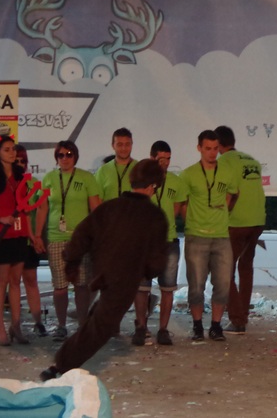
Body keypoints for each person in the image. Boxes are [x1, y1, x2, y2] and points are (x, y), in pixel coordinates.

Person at [40, 160, 168, 381]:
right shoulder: (155, 216)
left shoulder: (110, 207)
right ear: (152, 187)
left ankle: (63, 361)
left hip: (102, 271)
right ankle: (59, 367)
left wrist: (72, 260)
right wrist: (148, 271)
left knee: (100, 317)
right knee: (103, 326)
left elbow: (82, 232)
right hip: (126, 277)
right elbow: (157, 259)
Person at [0, 136, 41, 345]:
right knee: (1, 281)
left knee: (16, 281)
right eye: (7, 149)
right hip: (2, 234)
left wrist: (32, 235)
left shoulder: (21, 175)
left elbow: (27, 207)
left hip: (20, 234)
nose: (12, 152)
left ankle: (16, 326)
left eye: (13, 149)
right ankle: (0, 328)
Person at [36, 141, 102, 341]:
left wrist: (99, 236)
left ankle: (82, 325)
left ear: (75, 156)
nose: (65, 158)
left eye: (69, 154)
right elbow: (42, 209)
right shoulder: (49, 178)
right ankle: (61, 325)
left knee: (82, 285)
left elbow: (96, 209)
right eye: (61, 155)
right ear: (56, 157)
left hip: (81, 240)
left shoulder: (87, 177)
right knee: (60, 286)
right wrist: (37, 235)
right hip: (56, 237)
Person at [179, 130, 238, 342]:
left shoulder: (227, 171)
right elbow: (182, 204)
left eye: (215, 149)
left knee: (223, 284)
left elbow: (231, 195)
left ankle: (215, 325)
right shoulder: (188, 174)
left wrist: (220, 214)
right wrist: (194, 221)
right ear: (199, 148)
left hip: (221, 236)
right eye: (208, 149)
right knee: (196, 286)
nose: (212, 153)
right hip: (196, 236)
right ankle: (197, 326)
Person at [131, 141, 187, 346]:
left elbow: (176, 210)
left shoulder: (176, 182)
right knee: (141, 288)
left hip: (168, 241)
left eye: (168, 159)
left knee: (168, 288)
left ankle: (163, 329)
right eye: (161, 158)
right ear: (152, 157)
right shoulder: (142, 180)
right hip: (145, 242)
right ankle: (141, 327)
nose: (165, 162)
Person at [215, 125, 266, 335]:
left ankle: (237, 319)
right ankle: (242, 316)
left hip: (236, 222)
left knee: (223, 270)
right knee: (246, 268)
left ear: (218, 144)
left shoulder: (223, 162)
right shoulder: (252, 160)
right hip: (257, 220)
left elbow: (229, 193)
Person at [95, 127, 136, 201]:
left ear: (132, 145)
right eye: (119, 145)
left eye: (127, 144)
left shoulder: (140, 168)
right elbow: (97, 202)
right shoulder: (103, 170)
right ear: (113, 146)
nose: (124, 148)